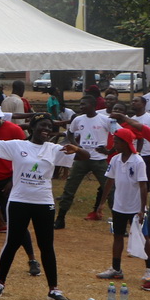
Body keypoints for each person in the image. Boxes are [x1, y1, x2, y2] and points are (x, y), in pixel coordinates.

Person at [0, 117, 81, 300]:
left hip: (44, 203)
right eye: (42, 125)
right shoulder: (18, 145)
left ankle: (54, 290)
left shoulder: (53, 149)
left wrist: (77, 149)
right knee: (12, 243)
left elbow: (84, 156)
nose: (46, 129)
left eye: (49, 127)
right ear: (32, 127)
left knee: (46, 246)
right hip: (19, 201)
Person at [94, 127, 150, 281]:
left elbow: (143, 186)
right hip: (119, 206)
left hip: (135, 207)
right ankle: (116, 269)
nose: (114, 144)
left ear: (126, 143)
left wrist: (142, 209)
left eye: (117, 142)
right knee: (117, 236)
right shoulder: (115, 160)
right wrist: (101, 203)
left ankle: (149, 270)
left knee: (143, 237)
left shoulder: (138, 161)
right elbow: (109, 181)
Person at [55, 95, 110, 229]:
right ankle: (60, 219)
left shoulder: (105, 120)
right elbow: (69, 133)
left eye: (84, 104)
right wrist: (76, 146)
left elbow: (120, 133)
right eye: (80, 104)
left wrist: (109, 151)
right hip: (82, 160)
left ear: (93, 105)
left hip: (99, 160)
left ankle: (120, 223)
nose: (81, 107)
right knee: (69, 188)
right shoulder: (78, 119)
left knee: (110, 190)